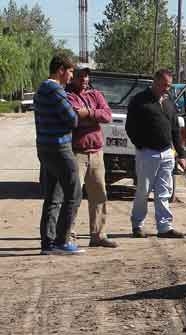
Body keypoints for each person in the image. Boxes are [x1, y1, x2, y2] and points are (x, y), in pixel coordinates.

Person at [125, 69, 186, 239]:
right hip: (147, 153)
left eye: (169, 86)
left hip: (167, 153)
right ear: (155, 82)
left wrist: (180, 154)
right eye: (164, 85)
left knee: (164, 191)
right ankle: (137, 225)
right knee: (143, 191)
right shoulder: (139, 101)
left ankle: (164, 227)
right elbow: (130, 127)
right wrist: (141, 145)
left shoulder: (169, 103)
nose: (166, 89)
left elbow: (175, 129)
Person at [34, 54, 84, 255]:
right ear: (61, 70)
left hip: (45, 147)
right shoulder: (55, 90)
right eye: (71, 71)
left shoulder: (41, 89)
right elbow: (72, 120)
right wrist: (78, 112)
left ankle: (48, 243)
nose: (72, 76)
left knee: (53, 197)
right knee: (74, 193)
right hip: (59, 148)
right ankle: (62, 240)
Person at [66, 64, 118, 248]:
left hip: (96, 152)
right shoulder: (68, 96)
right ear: (73, 77)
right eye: (80, 76)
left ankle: (98, 235)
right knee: (73, 195)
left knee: (99, 195)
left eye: (86, 76)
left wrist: (88, 113)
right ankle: (68, 235)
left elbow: (107, 116)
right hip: (77, 153)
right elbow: (75, 119)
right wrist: (93, 117)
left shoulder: (95, 94)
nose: (84, 80)